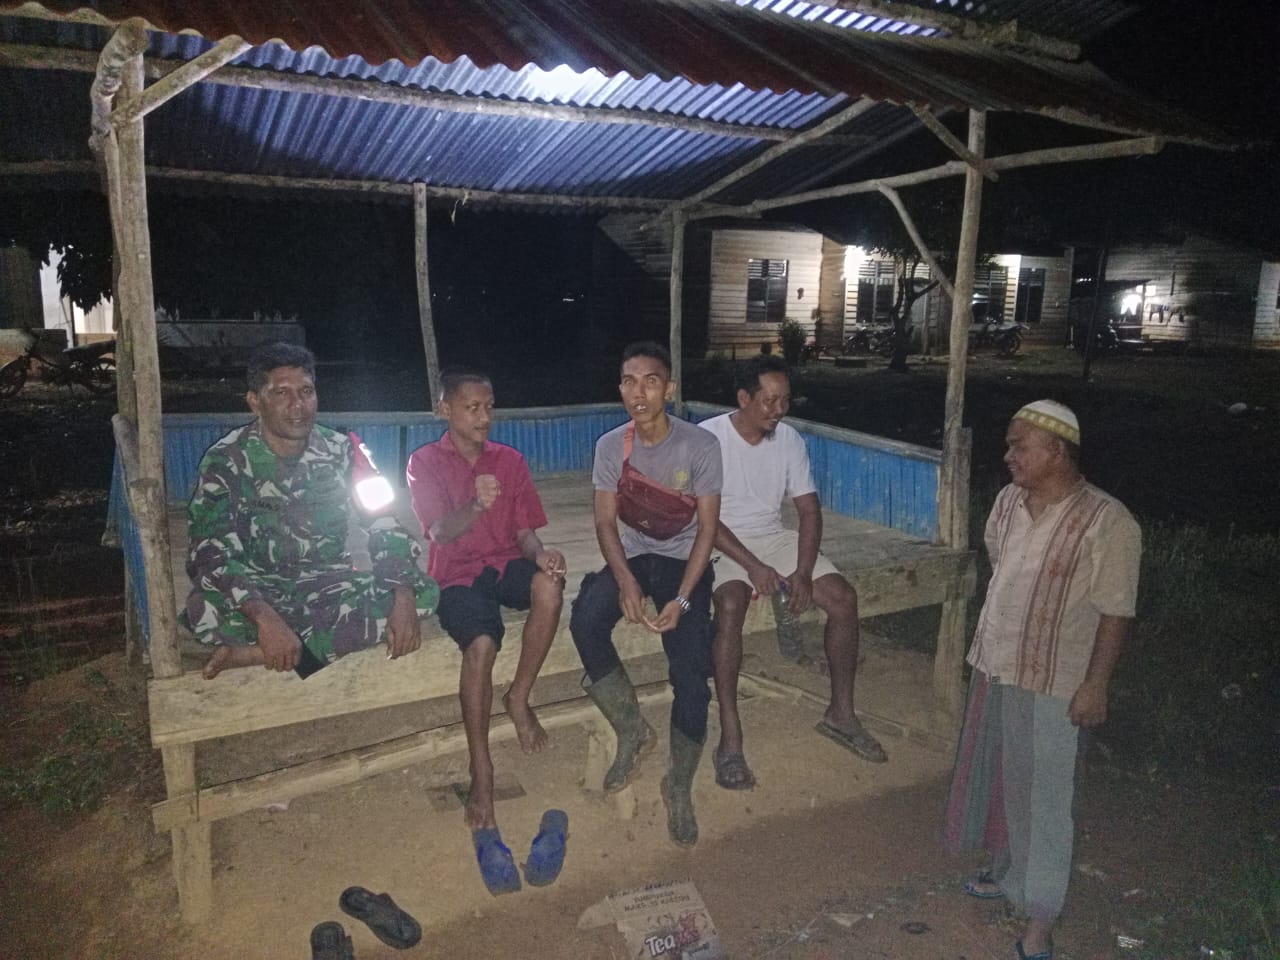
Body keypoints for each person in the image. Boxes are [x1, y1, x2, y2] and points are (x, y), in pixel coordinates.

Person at [943, 400, 1141, 960]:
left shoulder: (1108, 521)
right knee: (1012, 780)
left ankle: (1041, 917)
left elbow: (1115, 611)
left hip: (1058, 680)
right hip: (1001, 664)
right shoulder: (1008, 502)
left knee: (1049, 797)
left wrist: (1096, 684)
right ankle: (1012, 876)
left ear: (1057, 450)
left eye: (1019, 446)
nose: (1008, 456)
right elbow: (1000, 566)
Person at [185, 342, 438, 680]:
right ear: (255, 402)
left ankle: (255, 654)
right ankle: (298, 642)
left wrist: (402, 594)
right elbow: (210, 549)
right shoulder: (225, 459)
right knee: (205, 610)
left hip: (328, 584)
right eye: (281, 393)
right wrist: (264, 617)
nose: (298, 405)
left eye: (306, 391)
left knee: (423, 591)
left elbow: (383, 520)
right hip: (257, 586)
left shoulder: (344, 451)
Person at [699, 355, 886, 792]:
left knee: (843, 599)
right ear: (743, 398)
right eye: (769, 401)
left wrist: (802, 571)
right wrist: (753, 566)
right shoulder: (709, 439)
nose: (779, 410)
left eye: (784, 400)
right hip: (719, 539)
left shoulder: (789, 440)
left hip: (771, 537)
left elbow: (808, 511)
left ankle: (841, 715)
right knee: (731, 603)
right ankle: (730, 737)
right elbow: (703, 519)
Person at [405, 368, 566, 856]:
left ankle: (518, 697)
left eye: (489, 406)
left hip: (504, 563)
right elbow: (439, 533)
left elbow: (525, 533)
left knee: (550, 587)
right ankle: (482, 767)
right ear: (445, 410)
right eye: (471, 407)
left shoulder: (510, 460)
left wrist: (542, 555)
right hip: (456, 573)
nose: (484, 417)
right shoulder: (424, 462)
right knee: (480, 645)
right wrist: (476, 504)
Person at [570, 341, 722, 846]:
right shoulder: (611, 446)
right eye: (629, 382)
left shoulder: (700, 446)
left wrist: (682, 600)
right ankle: (632, 729)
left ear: (669, 388)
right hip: (634, 556)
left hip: (685, 562)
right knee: (586, 618)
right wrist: (625, 581)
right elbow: (604, 521)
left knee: (692, 673)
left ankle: (678, 784)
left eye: (650, 381)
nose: (639, 393)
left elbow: (707, 531)